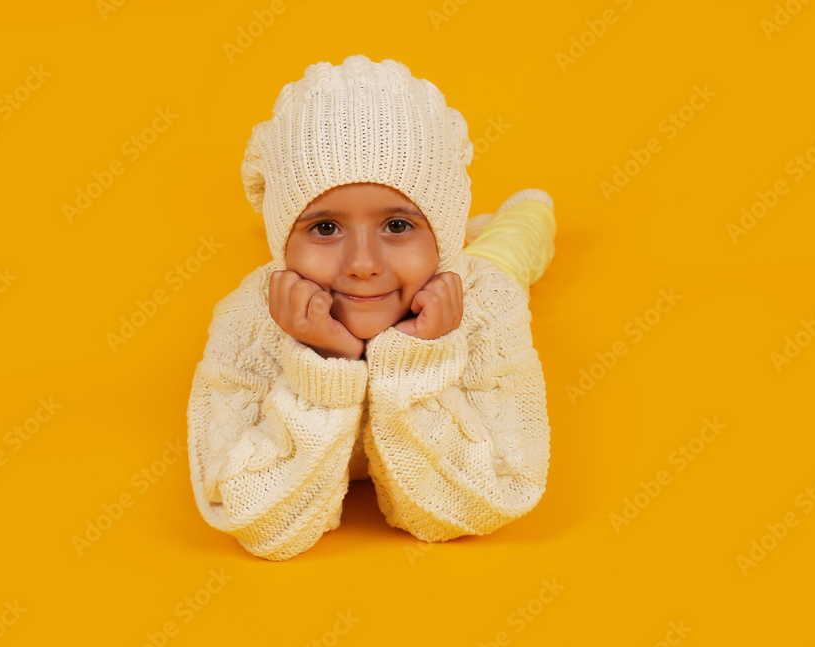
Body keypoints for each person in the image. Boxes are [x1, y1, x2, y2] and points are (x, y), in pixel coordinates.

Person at [186, 55, 556, 561]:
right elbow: (261, 521)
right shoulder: (245, 321)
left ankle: (520, 216)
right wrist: (327, 364)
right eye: (324, 227)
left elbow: (485, 499)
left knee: (505, 253)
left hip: (465, 281)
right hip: (371, 281)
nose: (361, 264)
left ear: (439, 235)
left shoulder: (487, 305)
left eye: (398, 226)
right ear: (281, 241)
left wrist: (419, 360)